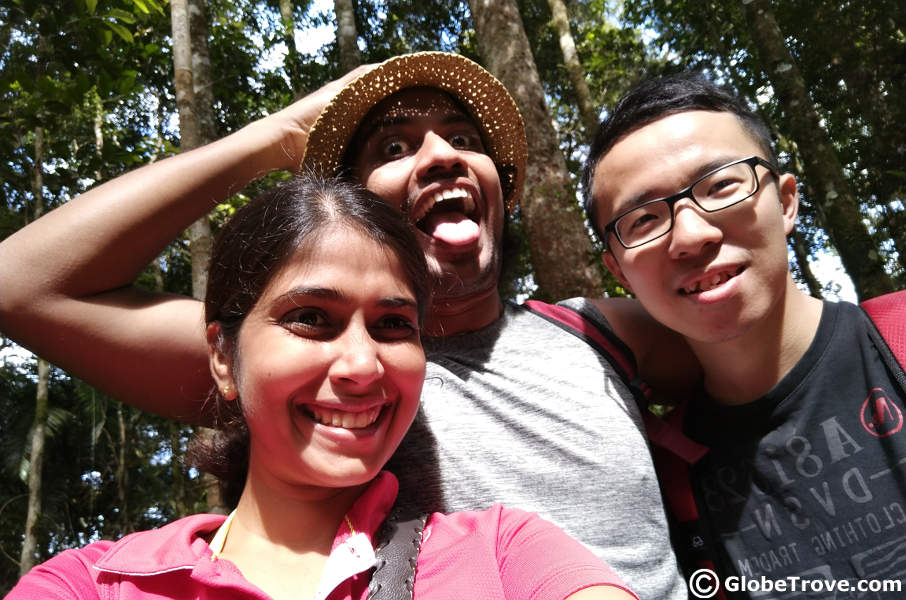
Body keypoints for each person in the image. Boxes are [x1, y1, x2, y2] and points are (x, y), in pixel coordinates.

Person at [0, 53, 688, 599]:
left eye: (464, 138)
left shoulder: (602, 329)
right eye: (393, 147)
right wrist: (274, 138)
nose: (441, 155)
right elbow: (19, 283)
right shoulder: (316, 368)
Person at [582, 72, 906, 596]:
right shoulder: (667, 482)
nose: (691, 236)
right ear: (619, 273)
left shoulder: (898, 345)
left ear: (787, 201)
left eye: (721, 186)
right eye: (642, 221)